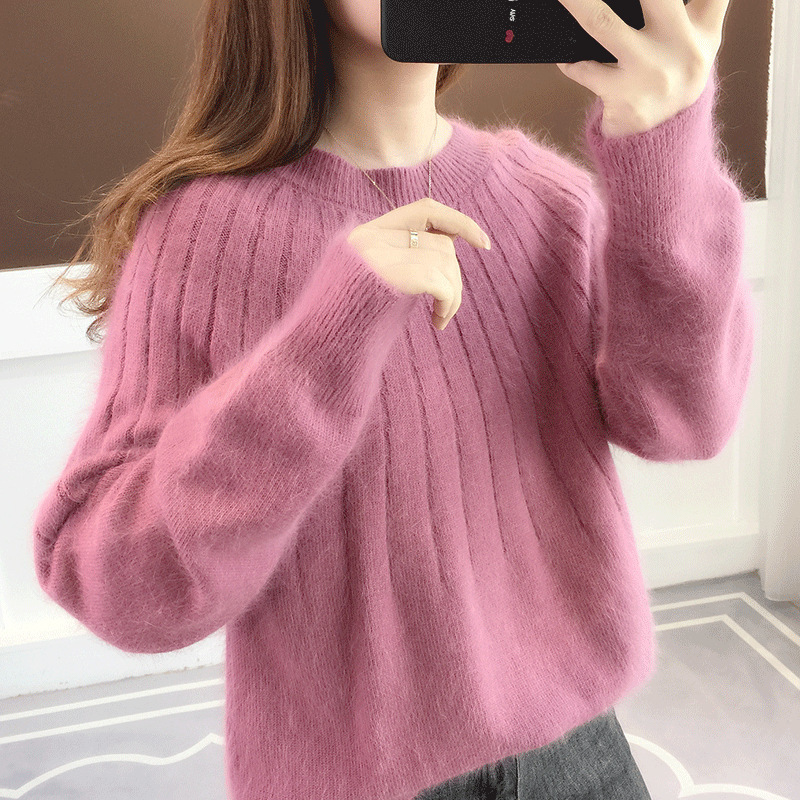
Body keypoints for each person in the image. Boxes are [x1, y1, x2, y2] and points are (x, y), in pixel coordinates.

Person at [33, 0, 753, 798]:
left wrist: (665, 153)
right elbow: (120, 590)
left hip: (580, 754)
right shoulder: (198, 235)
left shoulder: (548, 201)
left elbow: (686, 422)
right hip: (359, 780)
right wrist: (326, 339)